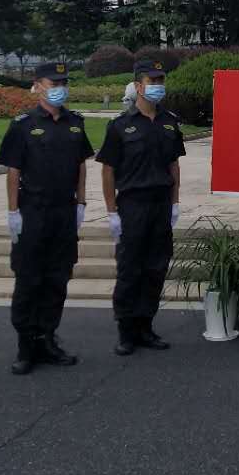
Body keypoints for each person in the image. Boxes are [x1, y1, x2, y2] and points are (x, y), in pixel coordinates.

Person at [0, 61, 94, 375]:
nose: (60, 89)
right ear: (38, 86)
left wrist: (81, 202)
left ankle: (47, 338)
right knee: (29, 279)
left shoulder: (75, 123)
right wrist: (13, 211)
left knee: (57, 278)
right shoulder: (23, 124)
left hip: (63, 212)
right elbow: (13, 171)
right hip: (33, 212)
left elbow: (81, 165)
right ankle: (26, 345)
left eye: (64, 83)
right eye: (54, 83)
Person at [97, 58, 185, 355]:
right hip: (132, 204)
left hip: (161, 204)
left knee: (156, 267)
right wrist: (111, 211)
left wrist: (175, 202)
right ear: (138, 86)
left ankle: (146, 325)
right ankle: (126, 329)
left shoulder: (169, 122)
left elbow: (173, 165)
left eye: (161, 81)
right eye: (152, 81)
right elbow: (108, 171)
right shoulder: (120, 126)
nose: (158, 86)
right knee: (130, 268)